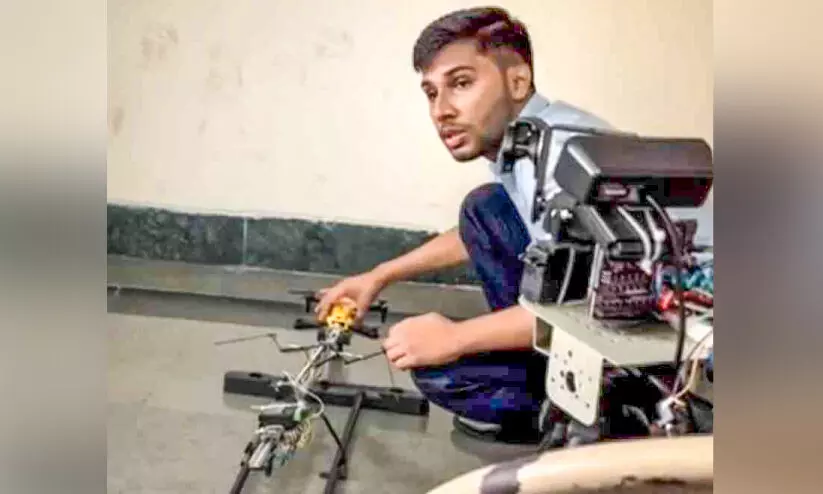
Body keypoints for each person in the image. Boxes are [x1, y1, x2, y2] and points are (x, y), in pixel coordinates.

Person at [315, 6, 612, 444]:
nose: (441, 111)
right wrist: (379, 276)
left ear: (518, 81)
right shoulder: (533, 140)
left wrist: (456, 337)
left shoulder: (565, 160)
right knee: (484, 207)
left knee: (442, 371)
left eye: (461, 83)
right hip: (603, 311)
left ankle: (597, 412)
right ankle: (551, 374)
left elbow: (595, 310)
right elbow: (482, 233)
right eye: (431, 93)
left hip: (656, 348)